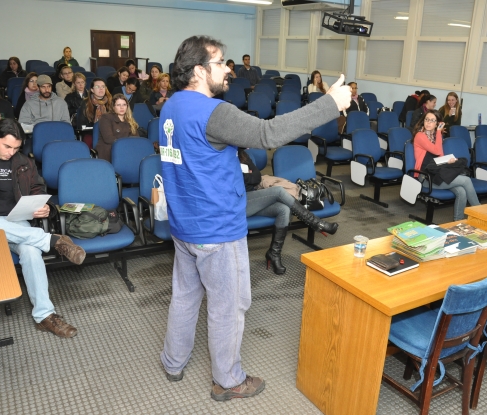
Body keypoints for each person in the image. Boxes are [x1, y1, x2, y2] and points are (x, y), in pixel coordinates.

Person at [157, 35, 350, 401]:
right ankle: (228, 381)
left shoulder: (171, 107)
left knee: (185, 298)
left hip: (185, 226)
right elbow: (268, 133)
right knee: (228, 307)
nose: (227, 69)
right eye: (219, 63)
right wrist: (329, 104)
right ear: (199, 70)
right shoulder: (212, 112)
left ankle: (172, 362)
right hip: (217, 229)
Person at [0, 118, 86, 338]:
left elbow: (37, 188)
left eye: (16, 148)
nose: (11, 153)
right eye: (7, 146)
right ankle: (51, 241)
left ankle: (45, 315)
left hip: (17, 224)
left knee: (31, 251)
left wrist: (43, 207)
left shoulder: (23, 161)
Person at [240, 150, 337, 275]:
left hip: (254, 199)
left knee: (283, 210)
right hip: (238, 203)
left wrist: (247, 176)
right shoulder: (225, 156)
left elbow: (257, 177)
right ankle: (316, 223)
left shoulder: (242, 154)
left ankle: (274, 254)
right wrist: (247, 175)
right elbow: (236, 180)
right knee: (279, 191)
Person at [412, 109, 480, 221]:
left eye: (432, 120)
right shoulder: (420, 135)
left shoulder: (435, 136)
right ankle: (480, 213)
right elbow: (437, 150)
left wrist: (448, 161)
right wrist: (439, 132)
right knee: (466, 180)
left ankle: (458, 222)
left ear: (437, 124)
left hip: (437, 174)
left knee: (462, 191)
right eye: (427, 119)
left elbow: (440, 156)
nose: (428, 122)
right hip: (426, 178)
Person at [96, 94, 138, 161]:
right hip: (109, 151)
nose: (122, 107)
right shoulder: (106, 118)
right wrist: (125, 146)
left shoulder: (130, 120)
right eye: (118, 105)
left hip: (126, 151)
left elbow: (135, 138)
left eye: (124, 105)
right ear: (113, 107)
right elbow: (108, 138)